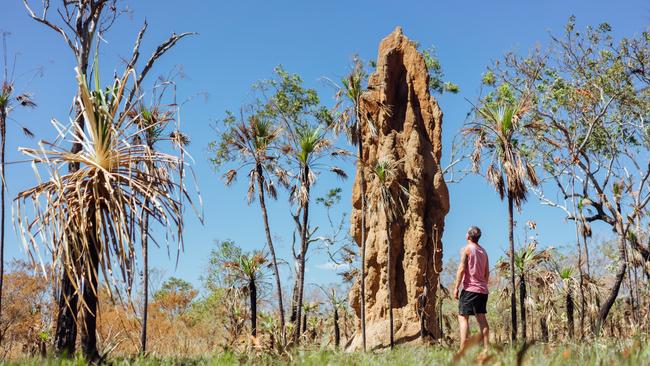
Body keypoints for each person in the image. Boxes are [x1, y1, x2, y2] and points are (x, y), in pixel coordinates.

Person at [453, 226, 490, 352]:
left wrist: (456, 287)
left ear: (468, 236)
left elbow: (461, 269)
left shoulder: (467, 249)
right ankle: (486, 349)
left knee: (463, 317)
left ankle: (463, 349)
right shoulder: (484, 251)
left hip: (470, 289)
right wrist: (482, 285)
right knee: (482, 319)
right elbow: (486, 273)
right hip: (483, 290)